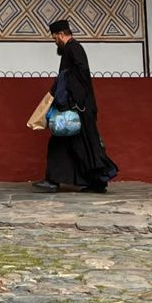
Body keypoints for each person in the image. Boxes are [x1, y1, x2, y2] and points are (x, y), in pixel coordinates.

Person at [32, 19, 118, 193]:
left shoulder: (73, 48)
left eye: (55, 37)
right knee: (75, 145)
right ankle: (90, 181)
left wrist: (71, 100)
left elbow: (80, 75)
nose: (54, 41)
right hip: (78, 106)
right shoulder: (71, 49)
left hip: (78, 107)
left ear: (62, 34)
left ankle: (58, 181)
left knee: (78, 144)